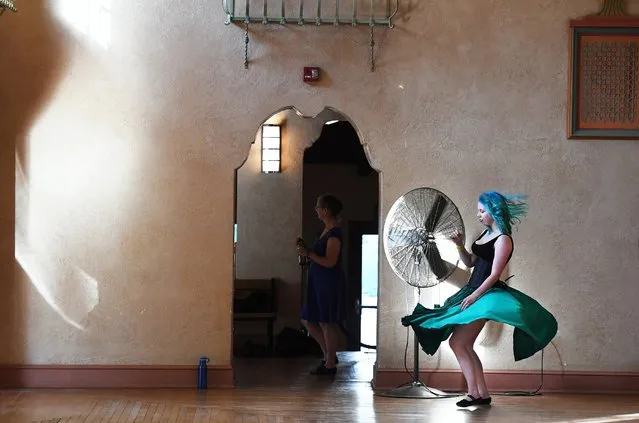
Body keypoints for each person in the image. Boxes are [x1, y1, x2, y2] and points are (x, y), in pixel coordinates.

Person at [401, 191, 558, 407]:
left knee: (458, 342)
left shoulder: (504, 240)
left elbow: (494, 275)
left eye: (482, 211)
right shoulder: (485, 236)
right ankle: (480, 393)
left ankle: (475, 393)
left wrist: (475, 296)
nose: (479, 215)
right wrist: (458, 244)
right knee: (463, 344)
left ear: (494, 211)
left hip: (485, 294)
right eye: (478, 210)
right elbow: (470, 261)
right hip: (473, 290)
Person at [296, 194, 346, 376]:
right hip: (318, 281)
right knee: (308, 319)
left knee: (326, 322)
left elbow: (330, 262)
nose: (315, 210)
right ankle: (328, 355)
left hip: (328, 283)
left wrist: (308, 253)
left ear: (326, 210)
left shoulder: (334, 234)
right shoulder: (325, 231)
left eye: (318, 207)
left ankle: (330, 364)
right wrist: (307, 254)